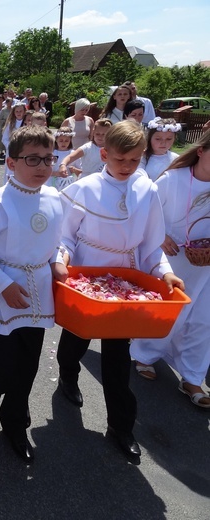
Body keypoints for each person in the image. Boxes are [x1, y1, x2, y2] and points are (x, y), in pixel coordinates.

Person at [56, 121, 184, 462]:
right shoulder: (84, 188)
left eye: (134, 160)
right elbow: (65, 235)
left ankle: (121, 427)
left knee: (117, 358)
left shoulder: (148, 191)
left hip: (124, 284)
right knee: (76, 339)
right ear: (104, 154)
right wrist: (63, 257)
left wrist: (164, 273)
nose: (127, 167)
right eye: (120, 160)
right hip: (86, 277)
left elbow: (152, 245)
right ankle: (68, 374)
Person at [0, 125, 66, 464]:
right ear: (11, 161)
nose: (42, 167)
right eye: (32, 159)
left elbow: (57, 242)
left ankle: (15, 424)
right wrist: (3, 285)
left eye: (48, 159)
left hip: (37, 297)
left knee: (27, 367)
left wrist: (59, 261)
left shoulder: (54, 197)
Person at [130, 132, 210, 407]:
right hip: (171, 260)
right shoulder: (172, 179)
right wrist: (160, 235)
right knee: (168, 312)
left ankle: (192, 376)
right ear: (201, 152)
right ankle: (145, 354)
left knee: (203, 320)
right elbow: (146, 212)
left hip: (206, 265)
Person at [1, 103, 27, 183]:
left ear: (24, 112)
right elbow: (4, 139)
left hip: (24, 149)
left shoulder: (27, 123)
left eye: (20, 111)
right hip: (12, 150)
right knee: (11, 169)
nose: (19, 113)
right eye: (17, 111)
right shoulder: (10, 123)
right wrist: (11, 145)